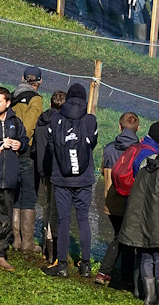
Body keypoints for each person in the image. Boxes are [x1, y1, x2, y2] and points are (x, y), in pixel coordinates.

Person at [42, 82, 99, 278]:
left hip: (61, 177)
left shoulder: (56, 119)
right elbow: (92, 145)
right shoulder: (90, 120)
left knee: (63, 220)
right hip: (84, 178)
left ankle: (63, 264)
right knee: (83, 219)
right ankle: (85, 265)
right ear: (84, 99)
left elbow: (52, 147)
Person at [119, 140, 159, 305]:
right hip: (158, 222)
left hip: (141, 221)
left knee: (146, 256)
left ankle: (149, 296)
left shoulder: (144, 170)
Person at [0, 85, 28, 271]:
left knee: (4, 217)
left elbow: (25, 141)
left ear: (8, 103)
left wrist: (20, 144)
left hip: (8, 176)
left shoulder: (15, 122)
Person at [98, 112, 142, 286]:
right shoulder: (139, 151)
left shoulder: (108, 148)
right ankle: (112, 273)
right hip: (131, 202)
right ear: (138, 129)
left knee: (120, 236)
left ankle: (115, 274)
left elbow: (103, 171)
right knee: (124, 239)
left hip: (111, 201)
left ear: (119, 126)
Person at [12, 65, 44, 255]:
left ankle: (15, 239)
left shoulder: (13, 94)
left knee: (16, 194)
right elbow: (30, 126)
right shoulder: (36, 99)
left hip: (10, 150)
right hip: (26, 151)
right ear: (39, 82)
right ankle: (28, 242)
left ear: (22, 78)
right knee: (29, 194)